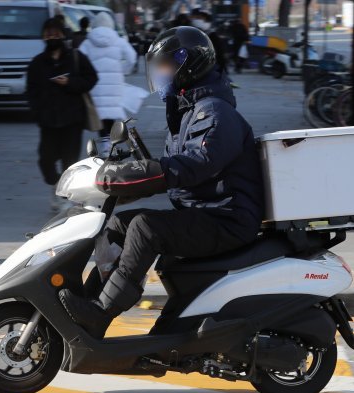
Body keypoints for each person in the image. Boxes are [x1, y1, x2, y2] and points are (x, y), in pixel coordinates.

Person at [59, 27, 265, 339]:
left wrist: (140, 173)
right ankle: (88, 304)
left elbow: (196, 165)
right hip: (205, 211)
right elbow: (174, 167)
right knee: (118, 226)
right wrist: (128, 173)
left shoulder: (215, 113)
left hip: (228, 219)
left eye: (166, 66)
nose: (161, 74)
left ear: (189, 65)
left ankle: (101, 313)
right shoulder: (189, 110)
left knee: (146, 227)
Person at [27, 18, 98, 212]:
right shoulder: (37, 63)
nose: (52, 37)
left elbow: (91, 78)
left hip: (72, 119)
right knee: (45, 160)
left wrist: (70, 83)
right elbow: (31, 90)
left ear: (63, 35)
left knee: (70, 161)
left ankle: (67, 196)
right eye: (48, 34)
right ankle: (55, 185)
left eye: (55, 33)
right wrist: (37, 112)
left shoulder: (76, 57)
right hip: (48, 121)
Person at [79, 12, 136, 137]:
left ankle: (104, 142)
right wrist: (123, 70)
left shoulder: (87, 43)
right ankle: (109, 144)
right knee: (111, 113)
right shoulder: (119, 41)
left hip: (95, 86)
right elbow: (132, 58)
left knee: (100, 115)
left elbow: (78, 60)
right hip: (114, 85)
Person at [190, 8, 228, 74]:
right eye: (196, 17)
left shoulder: (212, 35)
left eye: (200, 18)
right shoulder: (187, 34)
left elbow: (220, 56)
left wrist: (221, 71)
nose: (198, 20)